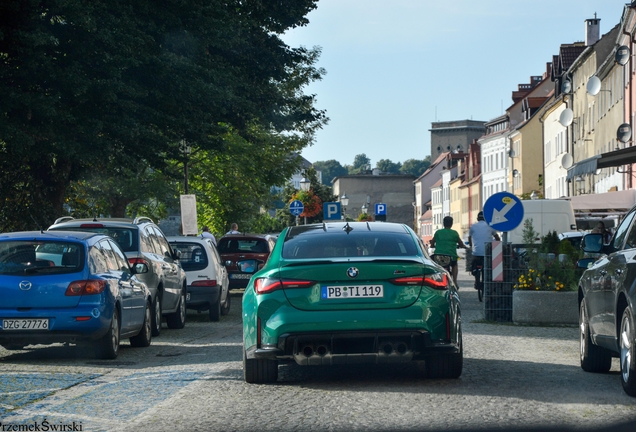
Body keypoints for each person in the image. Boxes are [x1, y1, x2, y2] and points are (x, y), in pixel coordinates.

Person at [429, 216, 468, 285]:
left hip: (438, 256)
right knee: (454, 265)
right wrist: (463, 246)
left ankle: (436, 280)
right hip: (451, 257)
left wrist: (433, 246)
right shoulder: (454, 233)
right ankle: (455, 281)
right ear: (451, 224)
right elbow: (461, 244)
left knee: (436, 265)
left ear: (443, 223)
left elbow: (432, 244)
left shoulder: (438, 232)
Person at [468, 211, 501, 287]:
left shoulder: (473, 226)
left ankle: (476, 280)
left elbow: (469, 237)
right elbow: (497, 237)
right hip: (487, 252)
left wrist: (470, 245)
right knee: (489, 266)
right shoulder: (490, 226)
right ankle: (488, 281)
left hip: (476, 252)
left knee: (474, 262)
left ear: (477, 219)